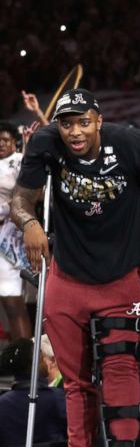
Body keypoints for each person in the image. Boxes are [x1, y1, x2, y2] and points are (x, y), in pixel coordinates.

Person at [10, 87, 140, 445]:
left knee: (121, 371)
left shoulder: (130, 143)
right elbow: (20, 199)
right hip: (68, 277)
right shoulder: (46, 142)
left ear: (99, 122)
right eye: (67, 124)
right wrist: (30, 223)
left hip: (121, 278)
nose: (75, 132)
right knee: (75, 383)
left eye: (83, 123)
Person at [0, 338, 67, 446]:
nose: (45, 361)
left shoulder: (2, 403)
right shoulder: (58, 398)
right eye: (42, 357)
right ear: (35, 363)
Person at [0, 121, 31, 341]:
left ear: (14, 142)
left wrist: (28, 147)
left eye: (5, 140)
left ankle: (26, 364)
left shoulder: (19, 161)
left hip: (10, 236)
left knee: (13, 303)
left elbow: (27, 191)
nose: (0, 144)